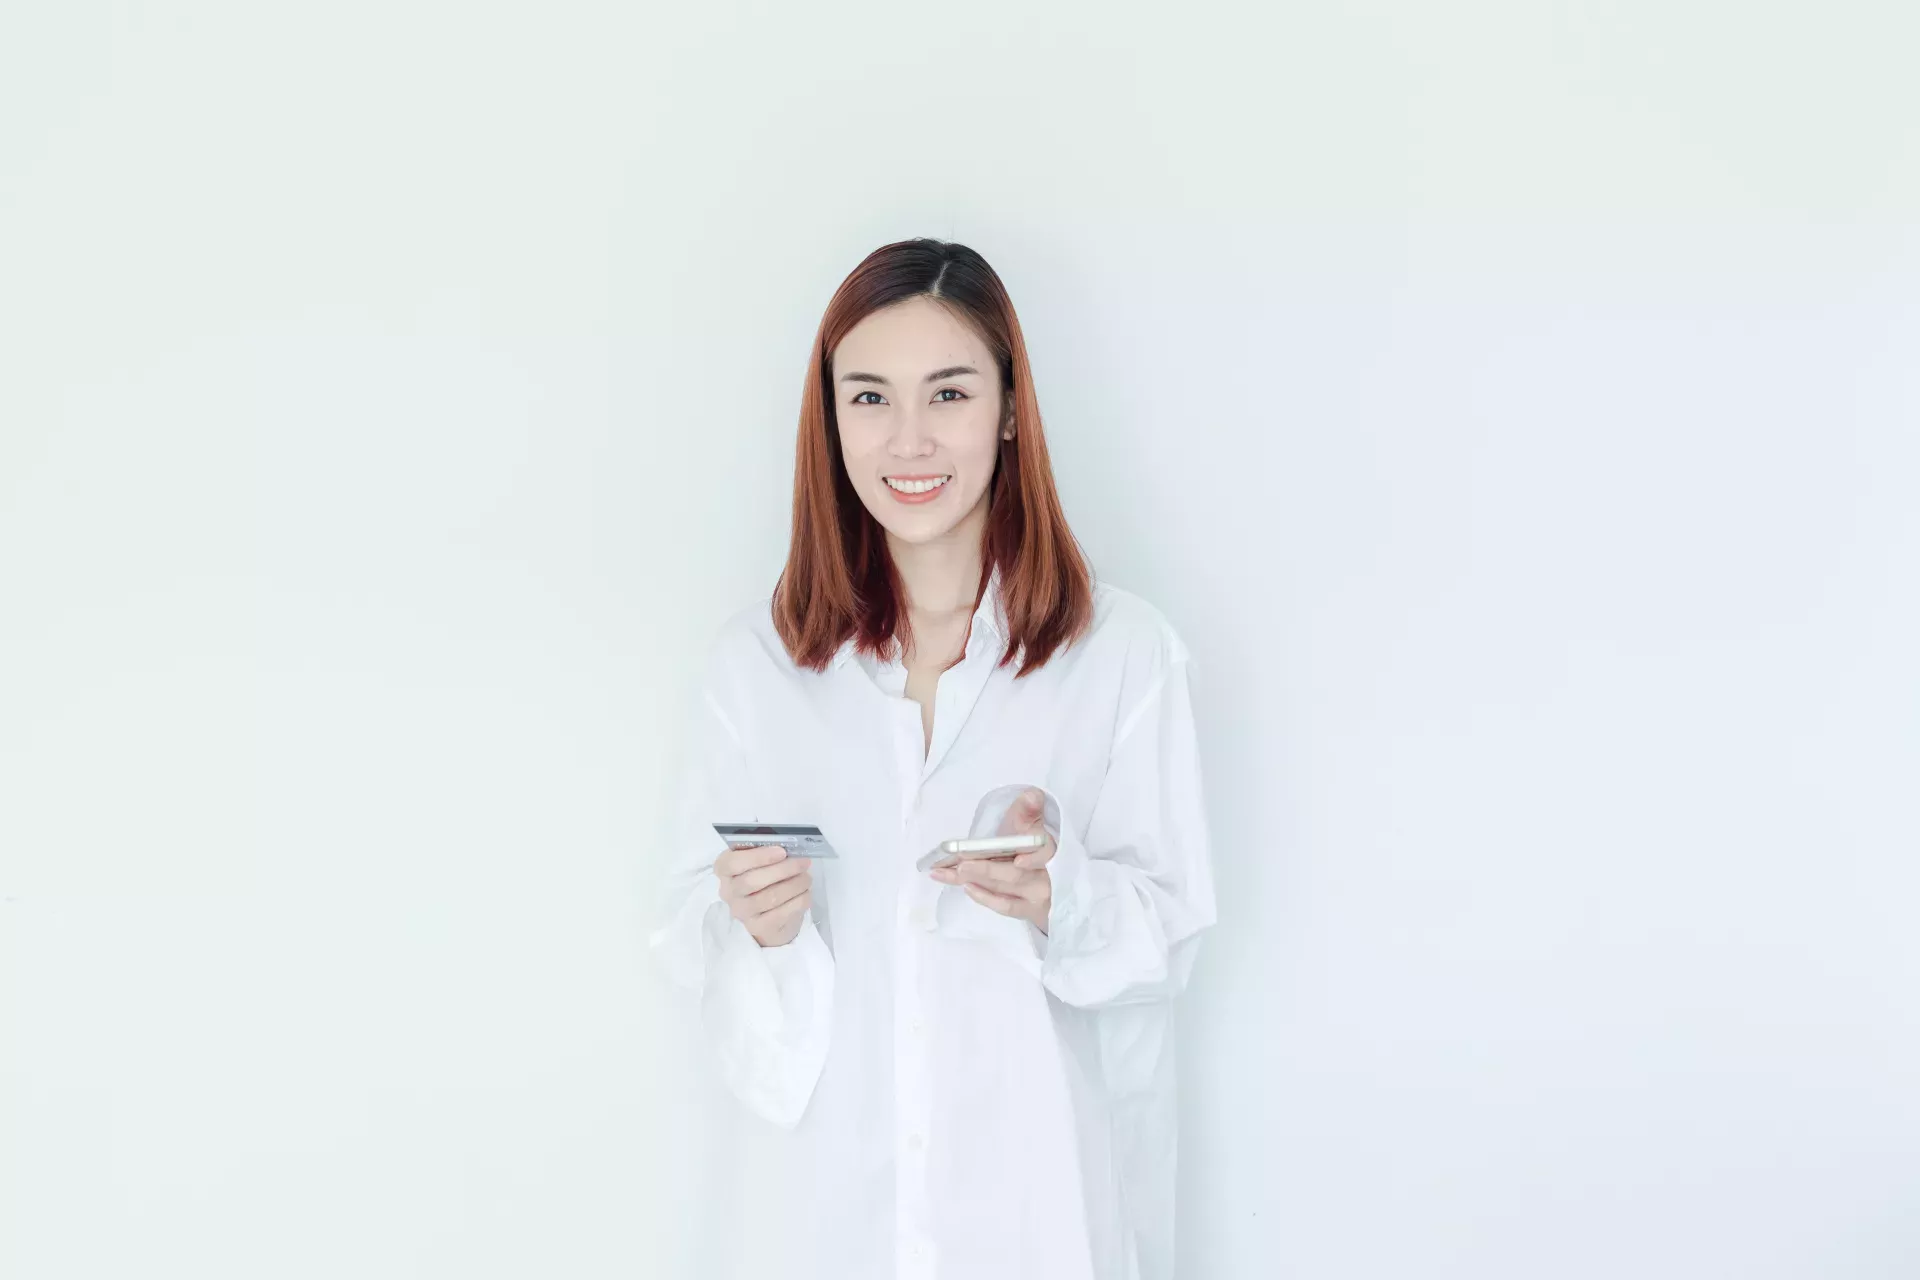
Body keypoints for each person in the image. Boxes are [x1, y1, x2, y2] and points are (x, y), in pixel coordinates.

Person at [649, 238, 1217, 1280]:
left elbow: (1171, 938)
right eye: (869, 397)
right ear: (830, 419)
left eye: (947, 392)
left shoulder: (1121, 657)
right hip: (820, 1222)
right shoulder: (757, 671)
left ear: (1009, 406)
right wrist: (760, 932)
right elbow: (692, 948)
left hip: (1041, 1219)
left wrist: (1062, 894)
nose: (908, 439)